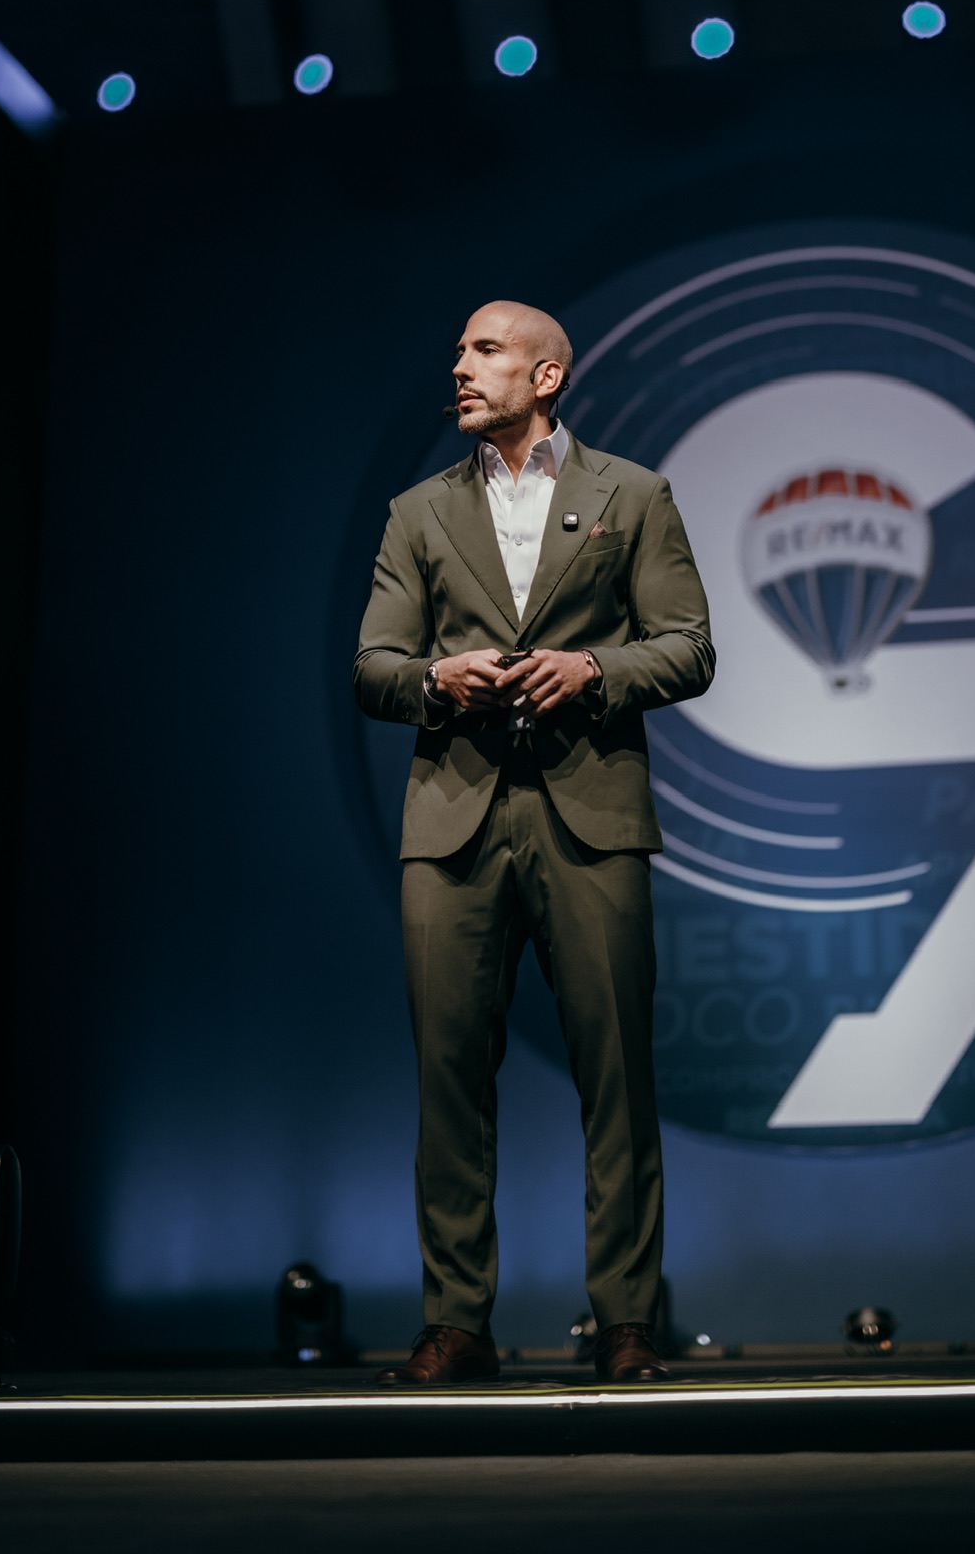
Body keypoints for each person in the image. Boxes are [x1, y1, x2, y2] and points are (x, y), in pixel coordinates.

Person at [354, 300, 715, 1386]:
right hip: (453, 819)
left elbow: (689, 647)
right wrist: (436, 678)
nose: (460, 368)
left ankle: (628, 1324)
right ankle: (456, 1322)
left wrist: (595, 669)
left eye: (485, 351)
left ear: (546, 376)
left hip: (589, 813)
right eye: (459, 352)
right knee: (449, 1081)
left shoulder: (632, 495)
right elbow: (374, 665)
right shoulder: (418, 510)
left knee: (618, 1079)